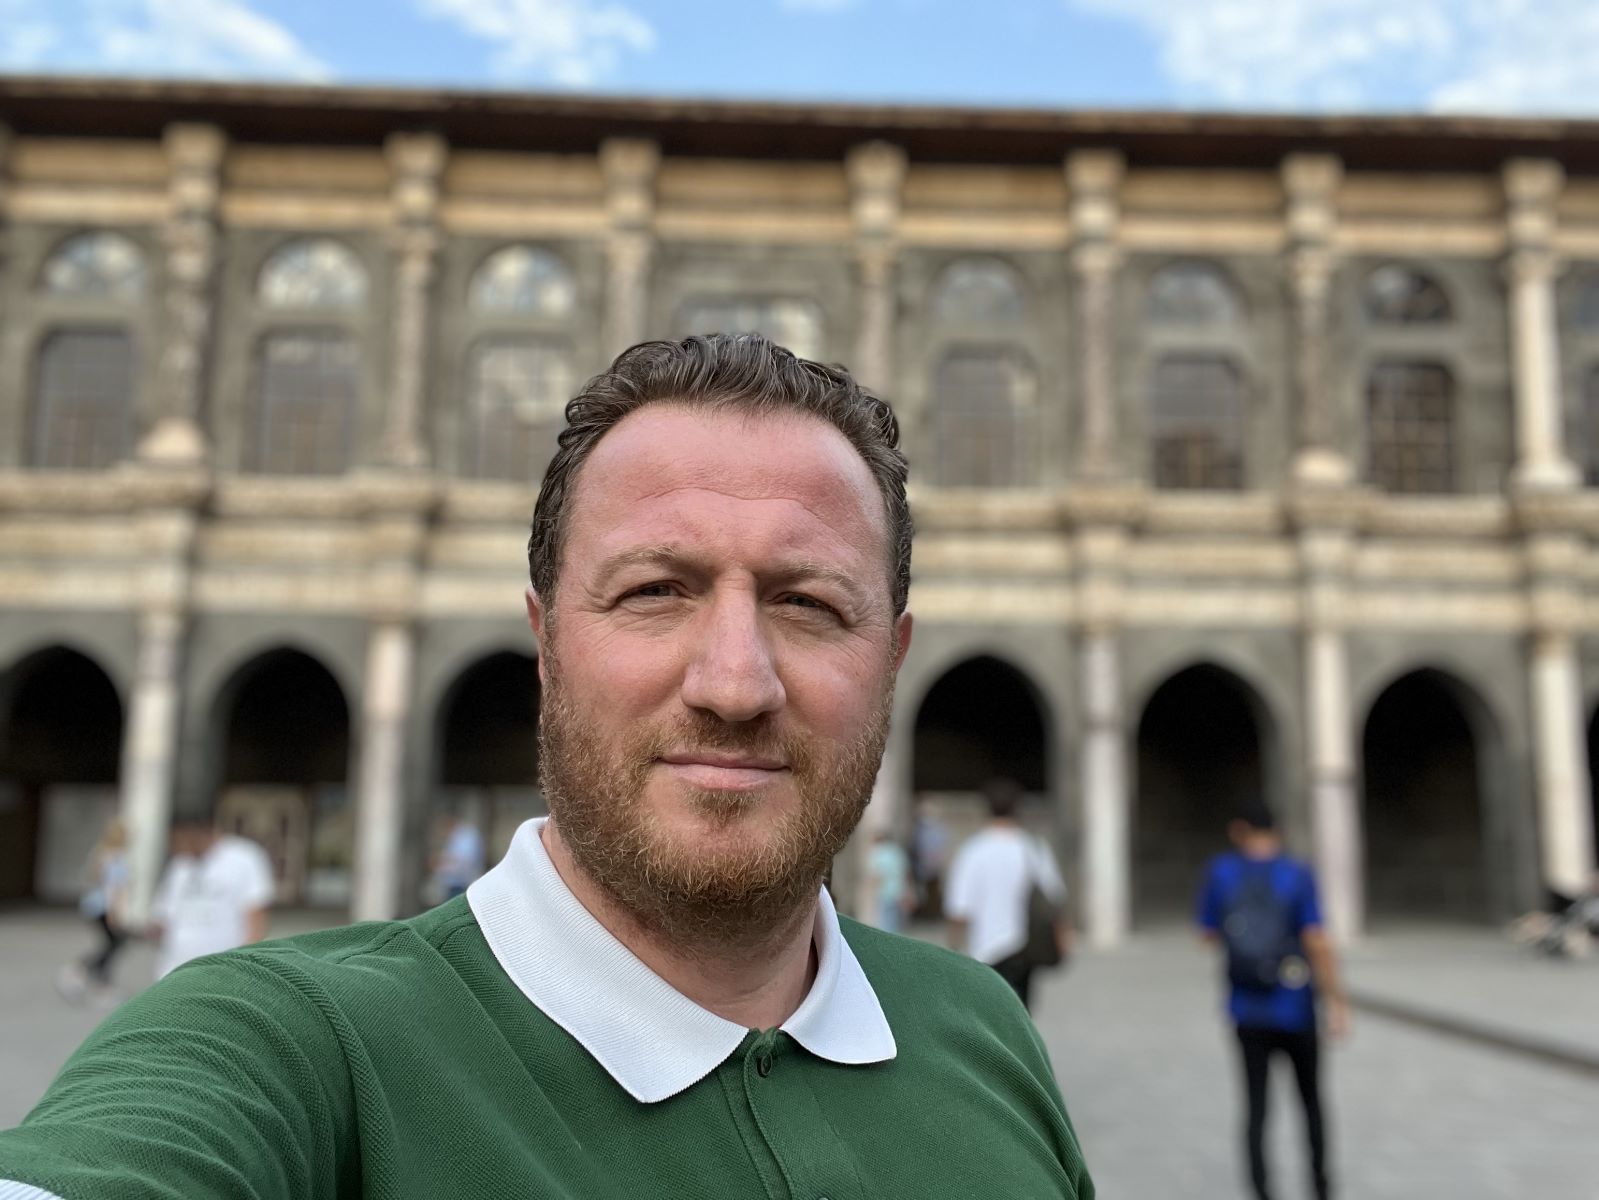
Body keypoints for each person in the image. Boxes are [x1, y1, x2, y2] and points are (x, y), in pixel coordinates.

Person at [0, 335, 1093, 1199]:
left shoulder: (981, 1029)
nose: (734, 683)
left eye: (808, 604)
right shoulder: (288, 1047)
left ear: (891, 661)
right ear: (545, 642)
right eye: (654, 591)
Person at [1197, 806, 1349, 1200]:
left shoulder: (1221, 872)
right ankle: (1320, 1185)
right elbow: (1316, 939)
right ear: (1277, 829)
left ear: (1239, 830)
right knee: (1311, 1101)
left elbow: (1207, 935)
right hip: (1296, 1006)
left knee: (1256, 1106)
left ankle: (1261, 1190)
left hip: (1246, 1007)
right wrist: (1337, 1002)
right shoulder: (1296, 873)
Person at [944, 778, 1071, 1011]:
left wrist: (953, 948)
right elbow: (1053, 899)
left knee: (990, 1017)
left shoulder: (973, 851)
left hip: (986, 949)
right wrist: (1062, 939)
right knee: (1021, 1016)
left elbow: (959, 909)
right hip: (1024, 948)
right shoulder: (1033, 847)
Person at [148, 815, 276, 981]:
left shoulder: (244, 857)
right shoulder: (180, 864)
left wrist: (243, 970)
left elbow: (256, 918)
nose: (178, 846)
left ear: (203, 830)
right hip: (174, 973)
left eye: (182, 838)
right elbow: (165, 916)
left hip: (222, 974)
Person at [54, 819, 130, 1005]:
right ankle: (88, 977)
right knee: (114, 944)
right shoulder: (116, 857)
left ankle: (90, 978)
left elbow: (92, 879)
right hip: (104, 907)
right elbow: (113, 887)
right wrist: (114, 913)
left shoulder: (100, 853)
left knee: (111, 944)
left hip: (92, 906)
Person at [430, 812, 487, 901]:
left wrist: (440, 862)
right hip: (454, 885)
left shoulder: (466, 836)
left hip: (463, 885)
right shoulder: (456, 836)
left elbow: (465, 861)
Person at [866, 827, 913, 933]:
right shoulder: (896, 851)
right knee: (894, 920)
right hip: (898, 891)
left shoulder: (877, 852)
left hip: (884, 892)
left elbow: (875, 876)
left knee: (884, 921)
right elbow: (906, 872)